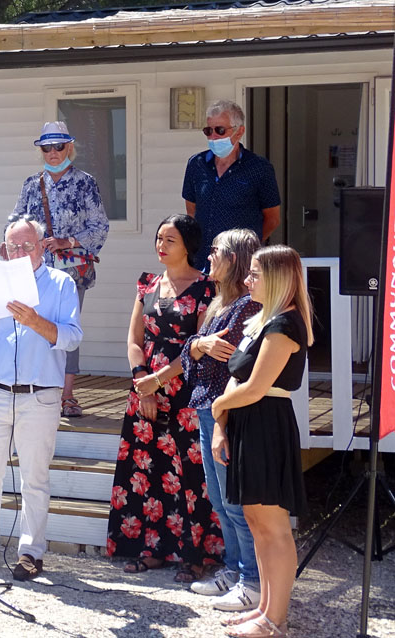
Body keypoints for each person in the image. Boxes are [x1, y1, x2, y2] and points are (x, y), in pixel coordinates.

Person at [0, 217, 82, 580]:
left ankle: (31, 553)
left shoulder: (61, 283)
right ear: (4, 249)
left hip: (39, 395)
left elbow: (72, 338)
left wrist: (36, 322)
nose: (20, 252)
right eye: (13, 247)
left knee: (34, 479)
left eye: (26, 246)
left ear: (41, 247)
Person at [107, 214, 222, 582]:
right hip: (145, 388)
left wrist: (159, 380)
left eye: (169, 239)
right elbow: (133, 339)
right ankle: (152, 548)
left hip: (186, 385)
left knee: (189, 473)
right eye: (158, 238)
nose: (161, 245)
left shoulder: (207, 289)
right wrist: (142, 379)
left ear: (188, 245)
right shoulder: (147, 284)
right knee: (148, 467)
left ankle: (194, 555)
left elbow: (198, 348)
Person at [211, 245, 312, 638]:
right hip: (245, 425)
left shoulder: (285, 325)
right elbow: (239, 378)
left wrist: (219, 406)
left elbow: (254, 388)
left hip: (267, 426)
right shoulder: (261, 320)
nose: (247, 280)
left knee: (274, 527)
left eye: (254, 274)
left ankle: (276, 620)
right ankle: (265, 610)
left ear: (277, 278)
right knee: (256, 522)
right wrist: (222, 423)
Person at [178, 229, 263, 612]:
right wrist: (198, 345)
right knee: (219, 497)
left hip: (224, 411)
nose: (208, 257)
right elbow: (189, 356)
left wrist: (198, 349)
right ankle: (233, 570)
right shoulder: (218, 304)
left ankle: (252, 581)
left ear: (232, 260)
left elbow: (232, 366)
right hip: (205, 405)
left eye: (215, 251)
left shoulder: (245, 307)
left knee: (234, 501)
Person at [9, 121, 109, 418]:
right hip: (34, 269)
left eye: (59, 146)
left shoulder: (85, 182)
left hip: (70, 271)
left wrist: (70, 241)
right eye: (47, 147)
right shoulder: (31, 184)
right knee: (30, 324)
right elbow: (15, 221)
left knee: (65, 328)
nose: (52, 152)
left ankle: (67, 395)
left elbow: (100, 225)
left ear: (70, 148)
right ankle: (35, 387)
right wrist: (10, 243)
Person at [182, 99, 281, 270]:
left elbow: (272, 219)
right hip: (202, 263)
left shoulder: (259, 168)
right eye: (208, 130)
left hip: (241, 266)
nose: (213, 136)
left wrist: (246, 248)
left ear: (239, 131)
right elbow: (192, 212)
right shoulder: (196, 164)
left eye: (220, 130)